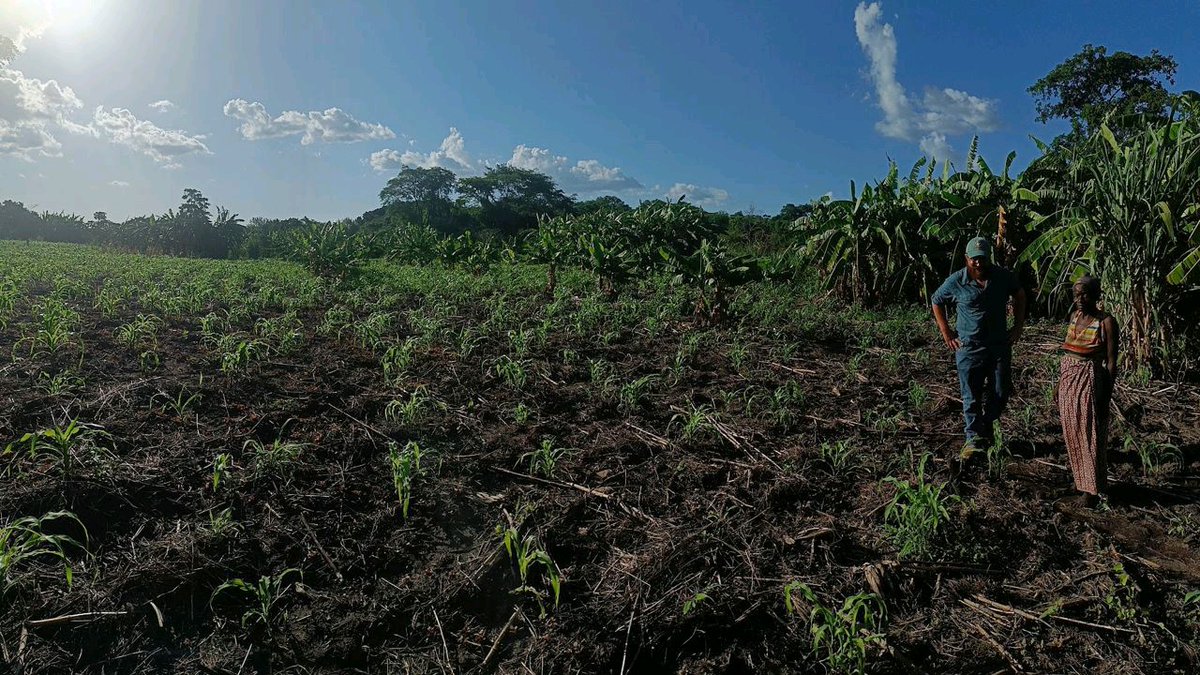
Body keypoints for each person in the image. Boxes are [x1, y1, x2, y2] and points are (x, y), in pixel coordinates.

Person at [931, 236, 1026, 459]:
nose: (978, 263)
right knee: (970, 395)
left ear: (988, 258)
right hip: (969, 347)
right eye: (974, 259)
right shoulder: (956, 281)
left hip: (998, 345)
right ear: (966, 258)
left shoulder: (1002, 276)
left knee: (1000, 392)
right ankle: (973, 438)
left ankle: (987, 426)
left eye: (982, 259)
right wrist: (946, 333)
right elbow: (936, 300)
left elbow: (1019, 293)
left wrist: (1018, 326)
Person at [1057, 275, 1119, 507]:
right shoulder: (1074, 317)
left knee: (1089, 435)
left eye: (1085, 294)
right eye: (1076, 294)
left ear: (1096, 295)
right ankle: (1080, 481)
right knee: (1072, 432)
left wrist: (1106, 396)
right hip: (1069, 380)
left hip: (1089, 381)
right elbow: (1068, 354)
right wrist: (1059, 384)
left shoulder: (1106, 322)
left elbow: (1112, 362)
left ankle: (1091, 491)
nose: (1080, 299)